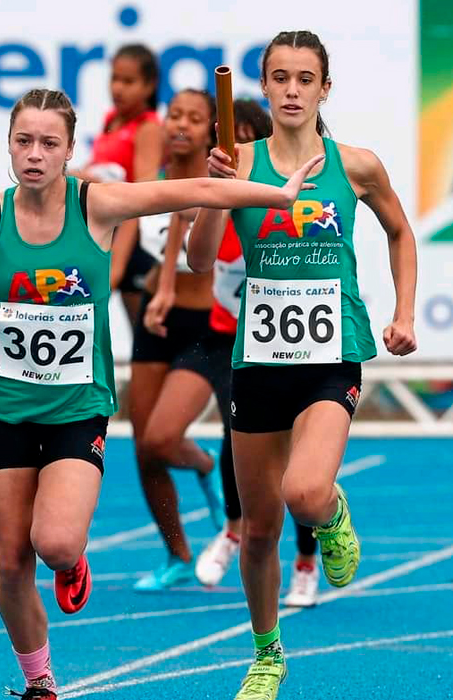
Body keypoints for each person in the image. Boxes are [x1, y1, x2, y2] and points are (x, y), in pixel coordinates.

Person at [0, 87, 324, 699]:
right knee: (12, 562)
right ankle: (40, 683)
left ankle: (72, 562)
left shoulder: (98, 206)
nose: (34, 154)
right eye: (23, 141)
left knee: (56, 543)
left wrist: (273, 194)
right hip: (2, 410)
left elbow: (195, 191)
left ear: (69, 150)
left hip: (76, 408)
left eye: (48, 144)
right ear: (9, 146)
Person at [185, 31, 418, 700]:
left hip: (331, 351)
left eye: (304, 78)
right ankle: (266, 656)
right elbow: (202, 262)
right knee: (259, 531)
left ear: (324, 88)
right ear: (264, 86)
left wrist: (403, 313)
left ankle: (334, 513)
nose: (291, 89)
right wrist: (216, 191)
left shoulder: (358, 165)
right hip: (258, 360)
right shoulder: (240, 162)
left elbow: (400, 231)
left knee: (305, 494)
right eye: (280, 77)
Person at [188, 99, 323, 606]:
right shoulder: (215, 196)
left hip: (301, 345)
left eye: (245, 141)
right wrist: (210, 198)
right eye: (228, 143)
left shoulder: (283, 201)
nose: (236, 152)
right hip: (236, 341)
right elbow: (196, 257)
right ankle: (233, 527)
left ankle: (306, 560)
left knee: (299, 470)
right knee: (231, 436)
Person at [122, 88, 227, 591]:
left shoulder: (219, 184)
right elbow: (128, 258)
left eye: (194, 117)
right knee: (144, 448)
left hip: (206, 325)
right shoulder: (147, 187)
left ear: (211, 129)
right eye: (174, 115)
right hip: (153, 324)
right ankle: (178, 555)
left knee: (164, 438)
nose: (181, 123)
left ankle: (205, 463)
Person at [85, 45, 168, 351]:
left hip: (134, 244)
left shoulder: (148, 128)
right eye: (114, 78)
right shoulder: (111, 120)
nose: (117, 88)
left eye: (128, 81)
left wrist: (117, 264)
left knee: (148, 346)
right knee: (138, 346)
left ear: (149, 85)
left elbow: (140, 198)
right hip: (108, 234)